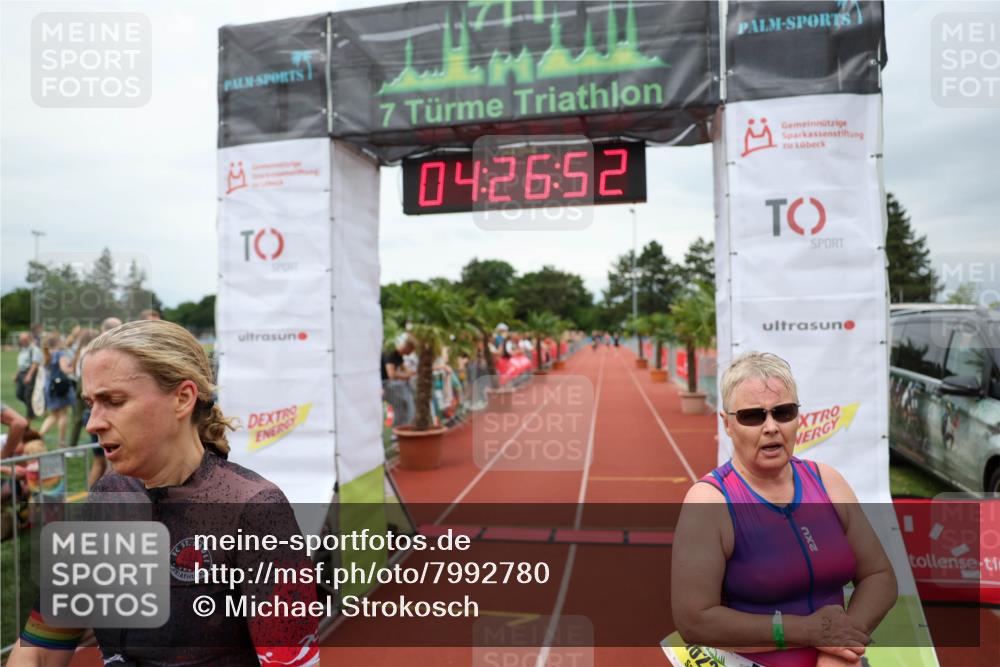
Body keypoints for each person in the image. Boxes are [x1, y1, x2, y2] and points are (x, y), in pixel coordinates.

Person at [10, 320, 319, 667]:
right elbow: (38, 649)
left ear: (183, 398)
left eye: (113, 400)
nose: (92, 423)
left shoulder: (254, 509)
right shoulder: (108, 498)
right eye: (90, 403)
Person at [671, 351, 897, 667]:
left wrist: (839, 649)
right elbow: (694, 621)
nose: (771, 427)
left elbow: (880, 576)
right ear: (727, 424)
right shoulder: (710, 502)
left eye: (783, 412)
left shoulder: (827, 481)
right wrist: (809, 631)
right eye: (753, 416)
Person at [38, 333, 76, 447]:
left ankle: (38, 436)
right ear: (57, 342)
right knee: (64, 414)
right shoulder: (60, 354)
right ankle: (62, 442)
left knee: (53, 415)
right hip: (60, 387)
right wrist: (76, 367)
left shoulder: (46, 354)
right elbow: (65, 369)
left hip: (50, 387)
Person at [382, 333, 417, 427]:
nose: (411, 352)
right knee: (400, 407)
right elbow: (391, 374)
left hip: (391, 386)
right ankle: (398, 429)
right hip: (384, 385)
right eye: (411, 349)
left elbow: (407, 371)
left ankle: (404, 427)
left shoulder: (399, 356)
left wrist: (411, 373)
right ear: (407, 346)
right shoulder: (391, 353)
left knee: (404, 407)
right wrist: (406, 375)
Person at [14, 333, 43, 422]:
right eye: (21, 339)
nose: (22, 341)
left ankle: (30, 416)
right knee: (19, 394)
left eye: (24, 339)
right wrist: (17, 374)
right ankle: (35, 409)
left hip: (29, 373)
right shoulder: (23, 349)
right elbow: (21, 363)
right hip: (22, 373)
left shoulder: (34, 349)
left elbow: (35, 363)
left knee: (28, 395)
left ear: (29, 339)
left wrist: (29, 375)